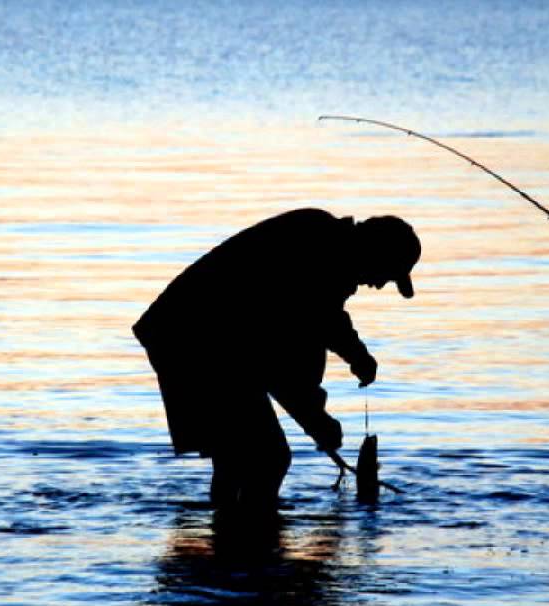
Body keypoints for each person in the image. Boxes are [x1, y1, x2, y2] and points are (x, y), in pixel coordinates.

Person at [133, 208, 421, 508]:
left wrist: (357, 357)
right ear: (376, 253)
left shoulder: (328, 249)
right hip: (193, 338)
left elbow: (323, 319)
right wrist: (317, 420)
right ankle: (257, 539)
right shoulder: (320, 253)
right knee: (268, 457)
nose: (379, 285)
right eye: (387, 275)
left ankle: (231, 541)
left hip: (193, 336)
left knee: (236, 457)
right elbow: (285, 360)